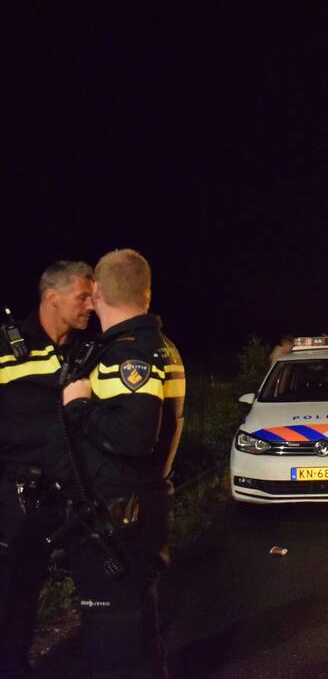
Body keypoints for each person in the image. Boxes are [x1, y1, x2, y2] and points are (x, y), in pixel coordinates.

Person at [61, 249, 184, 677]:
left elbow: (133, 437)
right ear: (146, 292)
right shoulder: (162, 347)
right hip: (139, 508)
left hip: (119, 517)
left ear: (96, 291)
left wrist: (77, 406)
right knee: (138, 635)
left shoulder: (127, 354)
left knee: (114, 645)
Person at [0, 260, 94, 677]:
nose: (91, 305)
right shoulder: (7, 349)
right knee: (11, 597)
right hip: (14, 502)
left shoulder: (84, 352)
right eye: (83, 296)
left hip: (68, 496)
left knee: (37, 593)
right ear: (51, 297)